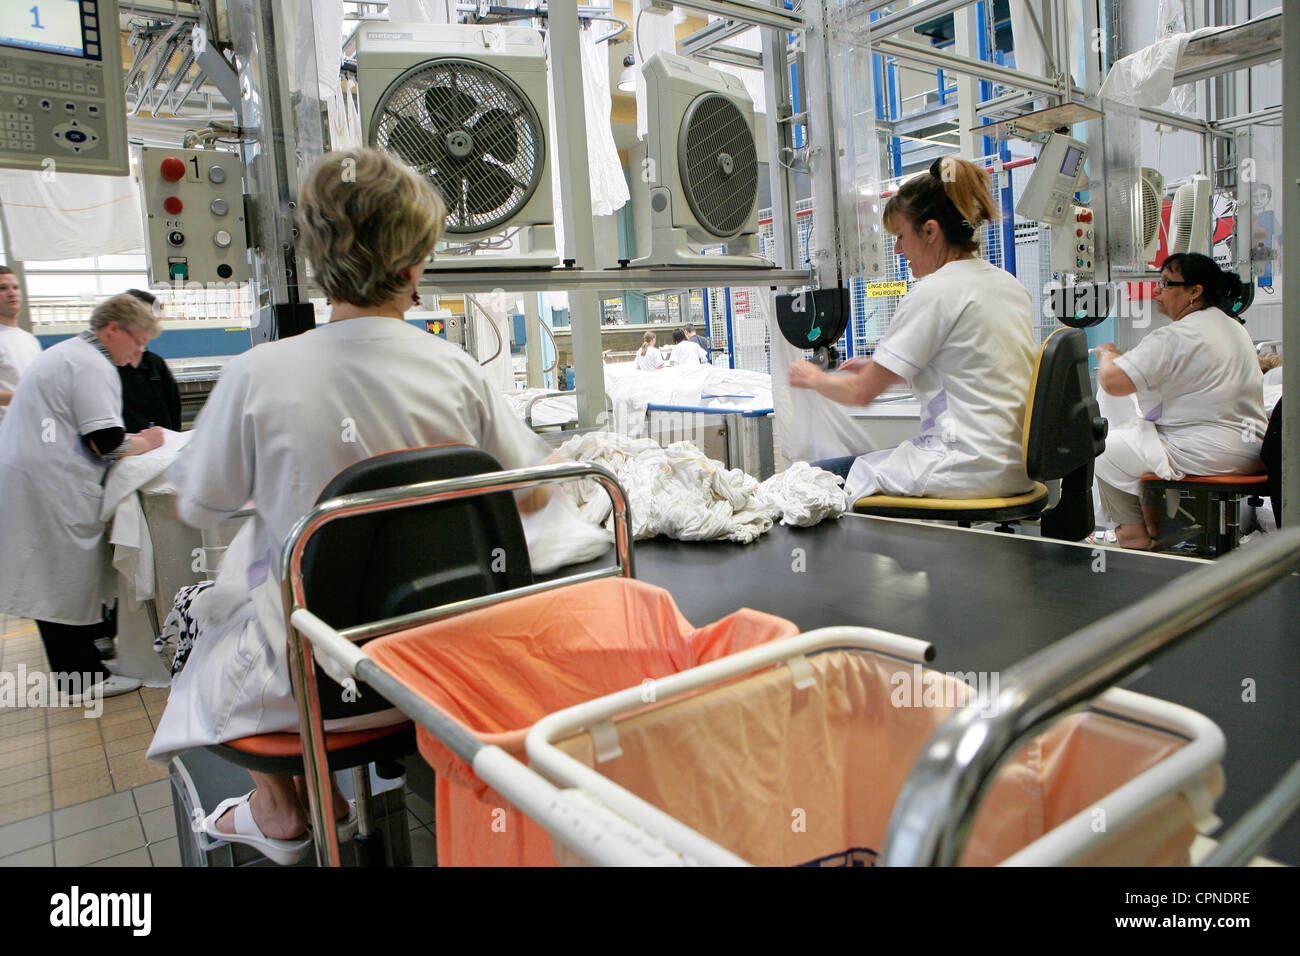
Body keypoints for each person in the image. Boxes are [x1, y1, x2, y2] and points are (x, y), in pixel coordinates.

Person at [146, 147, 554, 864]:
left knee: (196, 611)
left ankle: (282, 808)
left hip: (314, 684)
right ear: (414, 263)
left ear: (315, 259)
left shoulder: (258, 374)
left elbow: (198, 506)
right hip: (446, 667)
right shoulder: (455, 370)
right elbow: (535, 491)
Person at [789, 156, 1034, 504]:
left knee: (808, 482)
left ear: (931, 231)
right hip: (1012, 466)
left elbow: (860, 394)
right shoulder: (1008, 286)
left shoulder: (935, 292)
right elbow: (977, 371)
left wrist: (810, 377)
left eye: (902, 236)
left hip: (963, 467)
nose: (898, 249)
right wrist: (888, 370)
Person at [0, 294, 164, 697]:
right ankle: (81, 678)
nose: (139, 354)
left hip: (38, 477)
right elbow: (105, 442)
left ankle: (82, 667)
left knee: (55, 578)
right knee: (59, 580)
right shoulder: (91, 364)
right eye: (137, 342)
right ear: (113, 330)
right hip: (49, 484)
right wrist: (147, 441)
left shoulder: (73, 354)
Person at [1093, 253, 1266, 549]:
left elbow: (1113, 381)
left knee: (1105, 448)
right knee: (1143, 443)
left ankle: (1133, 534)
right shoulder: (1233, 327)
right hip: (1251, 447)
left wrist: (1108, 354)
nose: (1157, 291)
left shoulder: (1181, 334)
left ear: (1194, 292)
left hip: (1212, 451)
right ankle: (1154, 525)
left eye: (1166, 283)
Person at [118, 289, 182, 432]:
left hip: (161, 449)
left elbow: (174, 409)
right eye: (143, 323)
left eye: (153, 323)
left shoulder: (155, 364)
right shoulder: (107, 366)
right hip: (123, 450)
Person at [0, 265, 41, 427]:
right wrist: (21, 397)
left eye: (15, 287)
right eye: (2, 288)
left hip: (32, 428)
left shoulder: (30, 339)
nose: (12, 293)